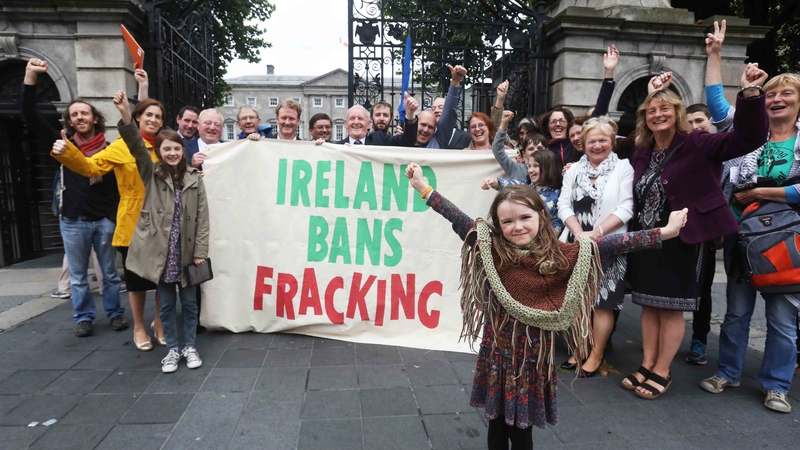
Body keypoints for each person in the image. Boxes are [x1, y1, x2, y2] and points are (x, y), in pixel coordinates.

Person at [404, 163, 687, 449]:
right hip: (497, 353)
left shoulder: (562, 254)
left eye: (525, 217)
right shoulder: (494, 250)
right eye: (507, 222)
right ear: (498, 225)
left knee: (522, 430)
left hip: (531, 359)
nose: (517, 227)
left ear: (541, 215)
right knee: (496, 425)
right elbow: (458, 218)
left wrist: (665, 231)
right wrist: (422, 187)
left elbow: (613, 243)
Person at [621, 60, 769, 400]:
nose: (658, 115)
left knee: (670, 307)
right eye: (651, 110)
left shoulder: (698, 142)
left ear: (678, 112)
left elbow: (748, 137)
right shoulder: (643, 151)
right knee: (648, 305)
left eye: (665, 109)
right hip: (648, 241)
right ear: (645, 117)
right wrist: (651, 92)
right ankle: (646, 363)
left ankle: (662, 370)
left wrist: (749, 93)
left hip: (685, 240)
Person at [698, 19, 800, 413]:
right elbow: (715, 103)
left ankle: (776, 385)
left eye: (785, 93)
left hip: (786, 245)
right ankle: (727, 371)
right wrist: (715, 54)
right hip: (742, 240)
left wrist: (761, 191)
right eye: (770, 94)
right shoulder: (746, 131)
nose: (776, 100)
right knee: (737, 313)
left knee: (782, 321)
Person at [52, 97, 173, 351]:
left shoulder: (166, 146)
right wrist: (68, 152)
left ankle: (159, 322)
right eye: (148, 115)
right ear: (137, 117)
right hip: (133, 220)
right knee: (137, 280)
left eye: (158, 116)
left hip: (164, 220)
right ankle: (139, 326)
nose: (153, 120)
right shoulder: (120, 148)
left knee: (164, 277)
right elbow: (90, 168)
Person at [25, 58, 128, 337]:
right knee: (79, 277)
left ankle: (116, 313)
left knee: (109, 274)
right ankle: (84, 317)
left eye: (84, 113)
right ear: (69, 121)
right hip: (73, 220)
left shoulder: (109, 149)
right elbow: (30, 115)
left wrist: (112, 215)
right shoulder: (62, 146)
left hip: (104, 220)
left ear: (95, 118)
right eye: (74, 115)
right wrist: (30, 76)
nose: (79, 118)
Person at [111, 90, 209, 374]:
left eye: (176, 149)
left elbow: (203, 217)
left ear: (182, 151)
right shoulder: (151, 173)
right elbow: (134, 143)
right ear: (159, 152)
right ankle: (173, 350)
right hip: (163, 252)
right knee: (165, 306)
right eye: (166, 149)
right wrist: (126, 114)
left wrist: (201, 251)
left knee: (189, 304)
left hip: (188, 253)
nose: (172, 153)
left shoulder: (194, 178)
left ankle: (189, 346)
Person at [557, 116, 635, 376]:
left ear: (612, 141)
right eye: (592, 141)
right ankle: (580, 347)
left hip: (609, 245)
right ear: (583, 143)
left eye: (602, 140)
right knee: (579, 301)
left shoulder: (623, 168)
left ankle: (597, 352)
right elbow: (563, 204)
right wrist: (580, 233)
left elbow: (627, 207)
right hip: (577, 244)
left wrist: (597, 233)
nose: (597, 145)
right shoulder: (574, 170)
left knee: (603, 303)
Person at [541, 45, 620, 173]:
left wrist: (609, 73)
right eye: (553, 121)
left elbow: (601, 108)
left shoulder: (588, 150)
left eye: (561, 120)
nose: (557, 124)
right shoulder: (545, 148)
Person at [681, 102, 717, 366]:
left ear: (710, 121)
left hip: (706, 232)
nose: (695, 127)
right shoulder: (680, 151)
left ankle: (699, 340)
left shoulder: (719, 148)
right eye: (689, 122)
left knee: (702, 289)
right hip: (678, 229)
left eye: (699, 121)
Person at [482, 147, 564, 236]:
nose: (530, 170)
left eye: (535, 166)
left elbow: (558, 224)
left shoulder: (558, 195)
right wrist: (494, 181)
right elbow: (510, 185)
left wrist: (542, 238)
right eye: (529, 166)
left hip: (543, 244)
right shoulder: (526, 186)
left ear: (548, 168)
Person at [335, 93, 419, 146]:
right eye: (352, 118)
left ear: (368, 123)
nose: (356, 122)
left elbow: (408, 141)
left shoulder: (379, 139)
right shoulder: (336, 147)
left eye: (360, 118)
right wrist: (321, 147)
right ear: (346, 124)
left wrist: (410, 114)